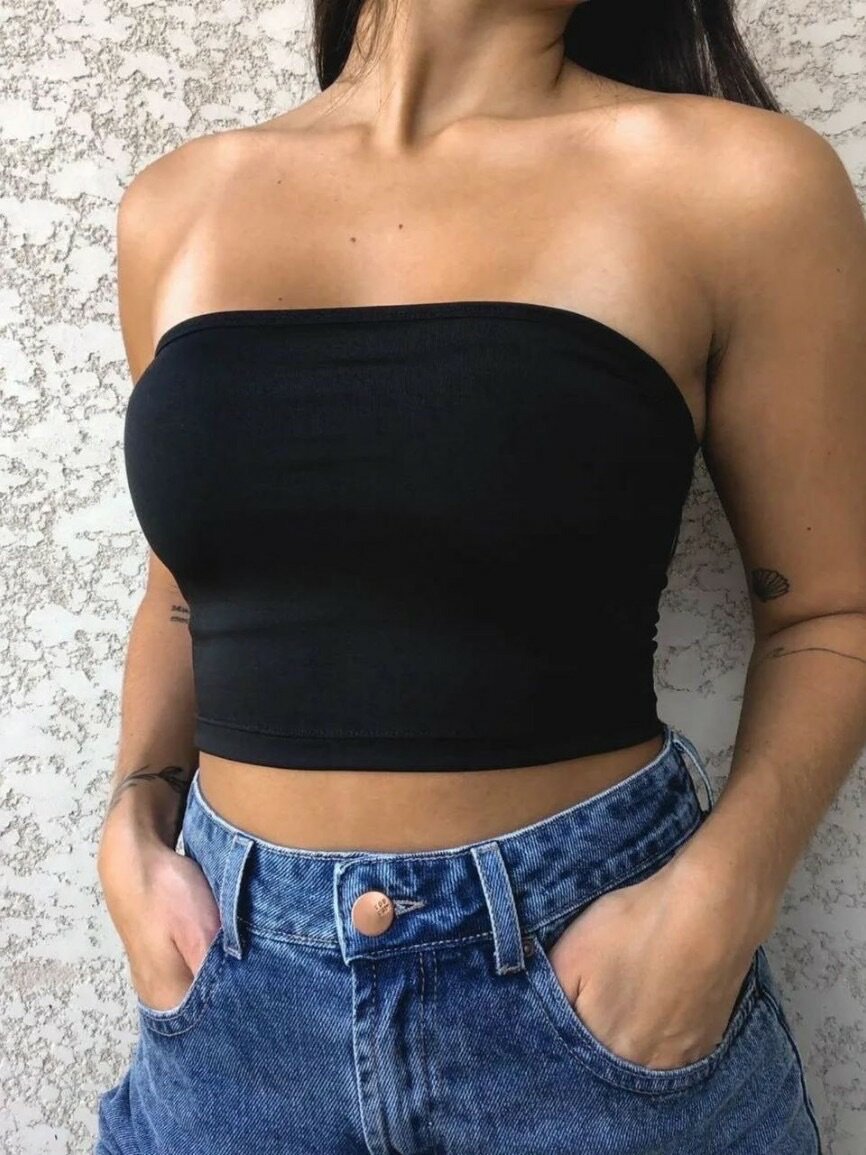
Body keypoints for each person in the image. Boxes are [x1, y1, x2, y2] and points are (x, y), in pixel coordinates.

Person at [94, 0, 866, 1151]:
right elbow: (182, 590)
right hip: (232, 1009)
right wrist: (135, 817)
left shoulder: (735, 182)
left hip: (592, 1004)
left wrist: (720, 901)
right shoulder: (178, 203)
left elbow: (828, 610)